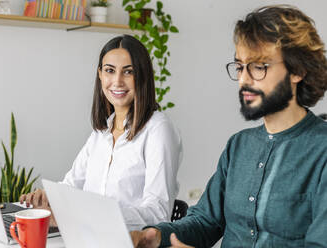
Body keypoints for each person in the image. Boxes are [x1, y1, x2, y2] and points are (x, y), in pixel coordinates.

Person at [132, 5, 327, 247]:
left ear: (298, 70)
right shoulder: (239, 145)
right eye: (239, 67)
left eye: (258, 66)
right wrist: (156, 236)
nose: (244, 79)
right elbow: (205, 221)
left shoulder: (322, 150)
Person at [20, 35, 183, 231]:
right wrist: (47, 199)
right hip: (89, 235)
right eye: (109, 71)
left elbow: (158, 212)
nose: (117, 81)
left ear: (143, 76)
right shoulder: (102, 132)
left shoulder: (158, 129)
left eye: (128, 72)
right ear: (100, 74)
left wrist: (91, 214)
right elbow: (71, 185)